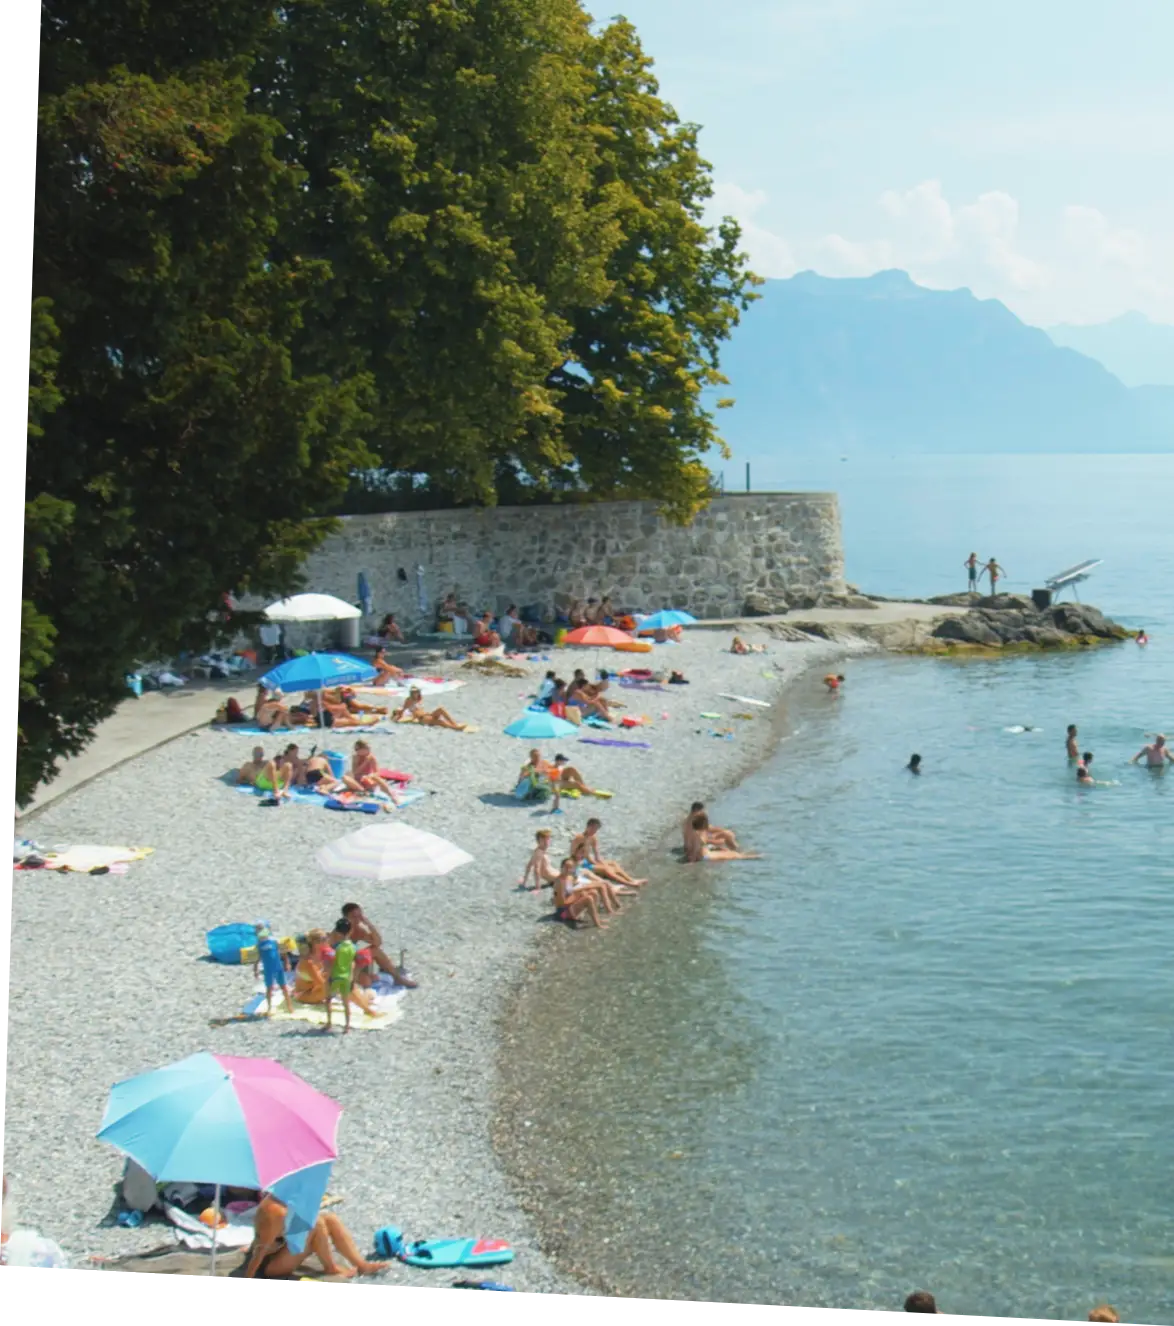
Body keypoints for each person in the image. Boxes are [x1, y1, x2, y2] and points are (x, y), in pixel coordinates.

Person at [243, 1192, 390, 1280]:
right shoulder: (274, 1211)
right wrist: (249, 1276)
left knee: (330, 1218)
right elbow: (261, 1249)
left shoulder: (289, 1200)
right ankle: (330, 1268)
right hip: (269, 1265)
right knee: (317, 1224)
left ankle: (361, 1264)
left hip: (282, 1250)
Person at [334, 902, 417, 988]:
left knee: (375, 950)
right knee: (367, 982)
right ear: (345, 918)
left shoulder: (358, 930)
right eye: (354, 917)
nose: (358, 919)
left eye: (360, 916)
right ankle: (383, 972)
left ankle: (398, 978)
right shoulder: (339, 931)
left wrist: (369, 925)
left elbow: (377, 943)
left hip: (354, 962)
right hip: (343, 965)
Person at [571, 818, 647, 887]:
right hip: (580, 863)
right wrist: (598, 864)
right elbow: (576, 855)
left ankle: (631, 879)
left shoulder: (593, 838)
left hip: (588, 861)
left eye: (596, 829)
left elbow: (597, 854)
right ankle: (629, 883)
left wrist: (601, 862)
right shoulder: (579, 838)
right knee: (606, 869)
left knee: (613, 863)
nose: (594, 831)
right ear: (588, 826)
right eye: (593, 828)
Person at [552, 857, 607, 929]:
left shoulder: (569, 877)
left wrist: (581, 891)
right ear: (561, 867)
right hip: (562, 913)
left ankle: (595, 917)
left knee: (593, 892)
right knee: (588, 898)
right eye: (566, 867)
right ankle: (597, 924)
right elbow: (563, 903)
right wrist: (578, 894)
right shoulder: (559, 882)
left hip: (570, 907)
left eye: (570, 868)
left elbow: (574, 890)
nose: (568, 869)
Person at [324, 919, 358, 1034]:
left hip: (335, 976)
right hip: (347, 977)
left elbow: (331, 963)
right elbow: (352, 964)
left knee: (328, 1000)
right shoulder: (353, 947)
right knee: (346, 1002)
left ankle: (329, 1023)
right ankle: (347, 1026)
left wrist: (327, 976)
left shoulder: (337, 948)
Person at [685, 813, 761, 862]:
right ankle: (756, 857)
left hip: (704, 854)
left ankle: (749, 855)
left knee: (727, 851)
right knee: (735, 855)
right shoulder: (700, 835)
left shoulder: (694, 832)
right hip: (706, 856)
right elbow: (700, 845)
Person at [255, 923, 293, 1015]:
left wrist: (287, 963)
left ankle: (289, 1006)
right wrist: (255, 969)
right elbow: (257, 958)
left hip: (278, 967)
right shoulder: (259, 945)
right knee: (269, 988)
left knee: (283, 986)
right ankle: (269, 1007)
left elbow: (283, 953)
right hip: (268, 969)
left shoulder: (274, 941)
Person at [394, 686, 468, 730]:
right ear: (411, 693)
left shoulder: (419, 699)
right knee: (440, 722)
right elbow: (403, 710)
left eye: (417, 692)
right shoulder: (409, 700)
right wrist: (397, 719)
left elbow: (419, 710)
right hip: (423, 719)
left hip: (427, 715)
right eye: (414, 692)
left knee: (441, 709)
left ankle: (454, 724)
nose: (415, 693)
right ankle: (455, 728)